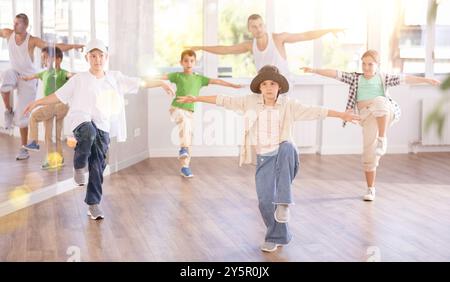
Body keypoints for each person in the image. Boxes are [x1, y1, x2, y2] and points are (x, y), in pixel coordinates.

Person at [177, 65, 360, 252]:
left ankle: (284, 203)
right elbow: (224, 100)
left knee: (287, 146)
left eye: (273, 83)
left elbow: (316, 110)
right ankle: (278, 235)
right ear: (260, 88)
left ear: (279, 86)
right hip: (264, 158)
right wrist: (196, 98)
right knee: (264, 202)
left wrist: (342, 115)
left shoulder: (289, 104)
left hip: (286, 156)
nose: (269, 87)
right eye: (265, 84)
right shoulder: (250, 102)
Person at [24, 39, 174, 220]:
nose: (97, 60)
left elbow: (140, 82)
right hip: (81, 120)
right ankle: (78, 166)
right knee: (89, 132)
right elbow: (58, 96)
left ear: (106, 57)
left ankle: (93, 204)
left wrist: (161, 83)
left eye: (100, 56)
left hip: (104, 125)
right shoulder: (79, 79)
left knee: (98, 166)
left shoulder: (115, 78)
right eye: (93, 56)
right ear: (87, 58)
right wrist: (36, 103)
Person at [301, 49, 441, 201]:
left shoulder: (383, 78)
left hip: (385, 113)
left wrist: (426, 80)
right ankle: (370, 189)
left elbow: (405, 79)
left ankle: (382, 138)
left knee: (380, 101)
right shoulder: (355, 78)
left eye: (370, 64)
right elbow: (336, 74)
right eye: (364, 64)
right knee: (369, 154)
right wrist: (314, 70)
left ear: (378, 65)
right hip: (367, 116)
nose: (366, 67)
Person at [0, 13, 83, 160]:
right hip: (15, 73)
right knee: (6, 77)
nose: (14, 26)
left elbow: (55, 47)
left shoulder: (32, 41)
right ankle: (8, 110)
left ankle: (24, 149)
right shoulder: (8, 33)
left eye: (18, 23)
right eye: (14, 23)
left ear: (25, 26)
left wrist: (75, 46)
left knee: (23, 117)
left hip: (29, 80)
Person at [189, 14, 343, 91]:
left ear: (264, 25)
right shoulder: (250, 45)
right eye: (254, 26)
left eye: (260, 25)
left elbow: (306, 35)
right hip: (266, 86)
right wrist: (201, 48)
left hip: (283, 86)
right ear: (249, 29)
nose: (258, 29)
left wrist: (329, 30)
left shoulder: (278, 39)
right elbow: (226, 50)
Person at [157, 49, 242, 178]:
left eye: (191, 61)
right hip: (177, 108)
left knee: (188, 137)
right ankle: (183, 149)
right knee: (184, 123)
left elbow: (217, 81)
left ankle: (185, 167)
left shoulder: (199, 79)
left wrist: (233, 85)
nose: (189, 63)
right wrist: (147, 79)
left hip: (190, 112)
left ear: (195, 62)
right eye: (186, 61)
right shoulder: (177, 76)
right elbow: (161, 78)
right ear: (181, 63)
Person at [21, 46, 74, 169]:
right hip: (50, 107)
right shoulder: (44, 73)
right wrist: (24, 77)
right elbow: (32, 76)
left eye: (46, 58)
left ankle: (33, 141)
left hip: (60, 105)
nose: (44, 61)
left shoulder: (61, 73)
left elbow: (69, 75)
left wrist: (74, 76)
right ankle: (56, 159)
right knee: (50, 135)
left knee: (34, 116)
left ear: (58, 60)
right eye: (43, 58)